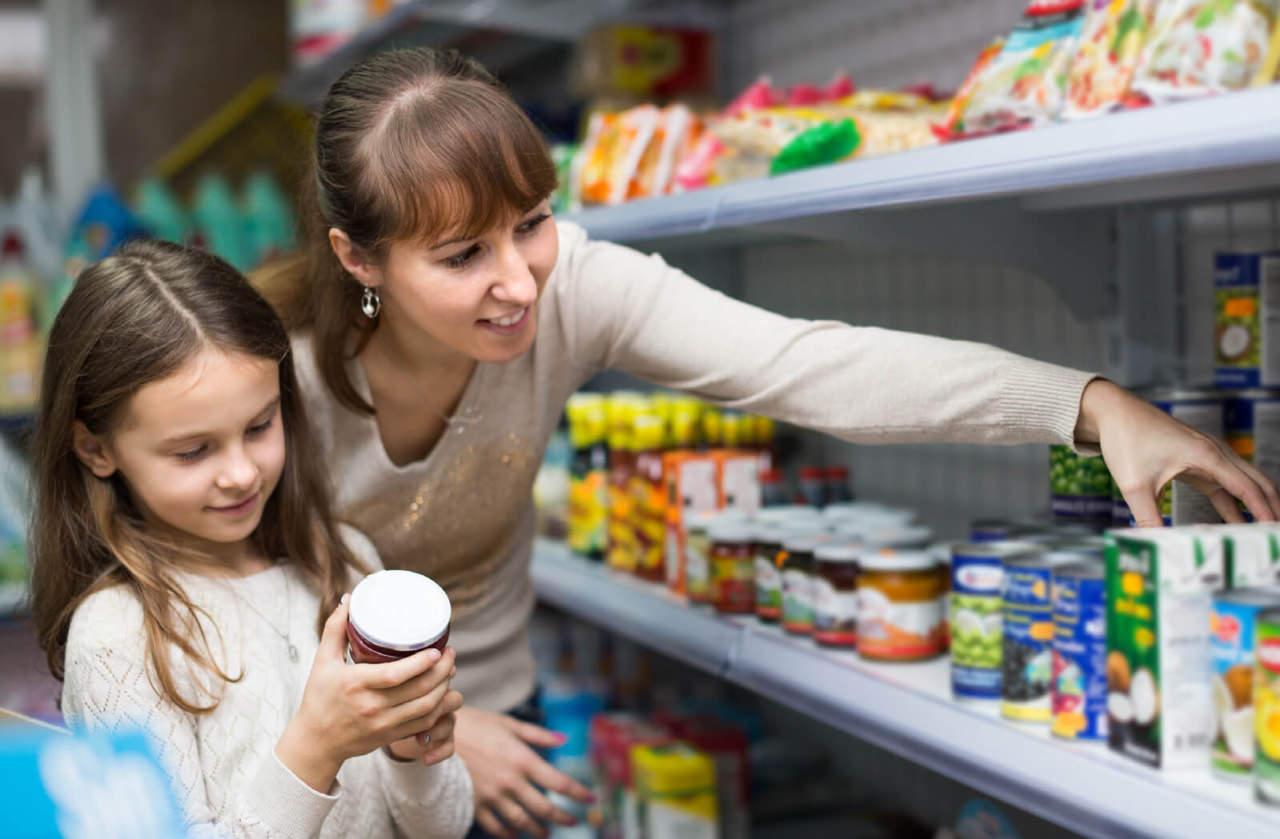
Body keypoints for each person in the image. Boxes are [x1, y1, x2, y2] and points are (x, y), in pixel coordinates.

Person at [256, 48, 1280, 839]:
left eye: (530, 222)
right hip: (327, 743)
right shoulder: (279, 382)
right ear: (359, 255)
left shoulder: (575, 289)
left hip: (507, 720)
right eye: (460, 253)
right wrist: (425, 730)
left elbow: (810, 363)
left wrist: (1093, 403)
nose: (519, 280)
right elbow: (242, 607)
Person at [29, 240, 473, 838]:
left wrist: (410, 752)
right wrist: (316, 750)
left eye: (260, 425)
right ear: (96, 449)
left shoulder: (343, 563)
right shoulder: (116, 640)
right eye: (193, 450)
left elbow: (443, 826)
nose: (241, 472)